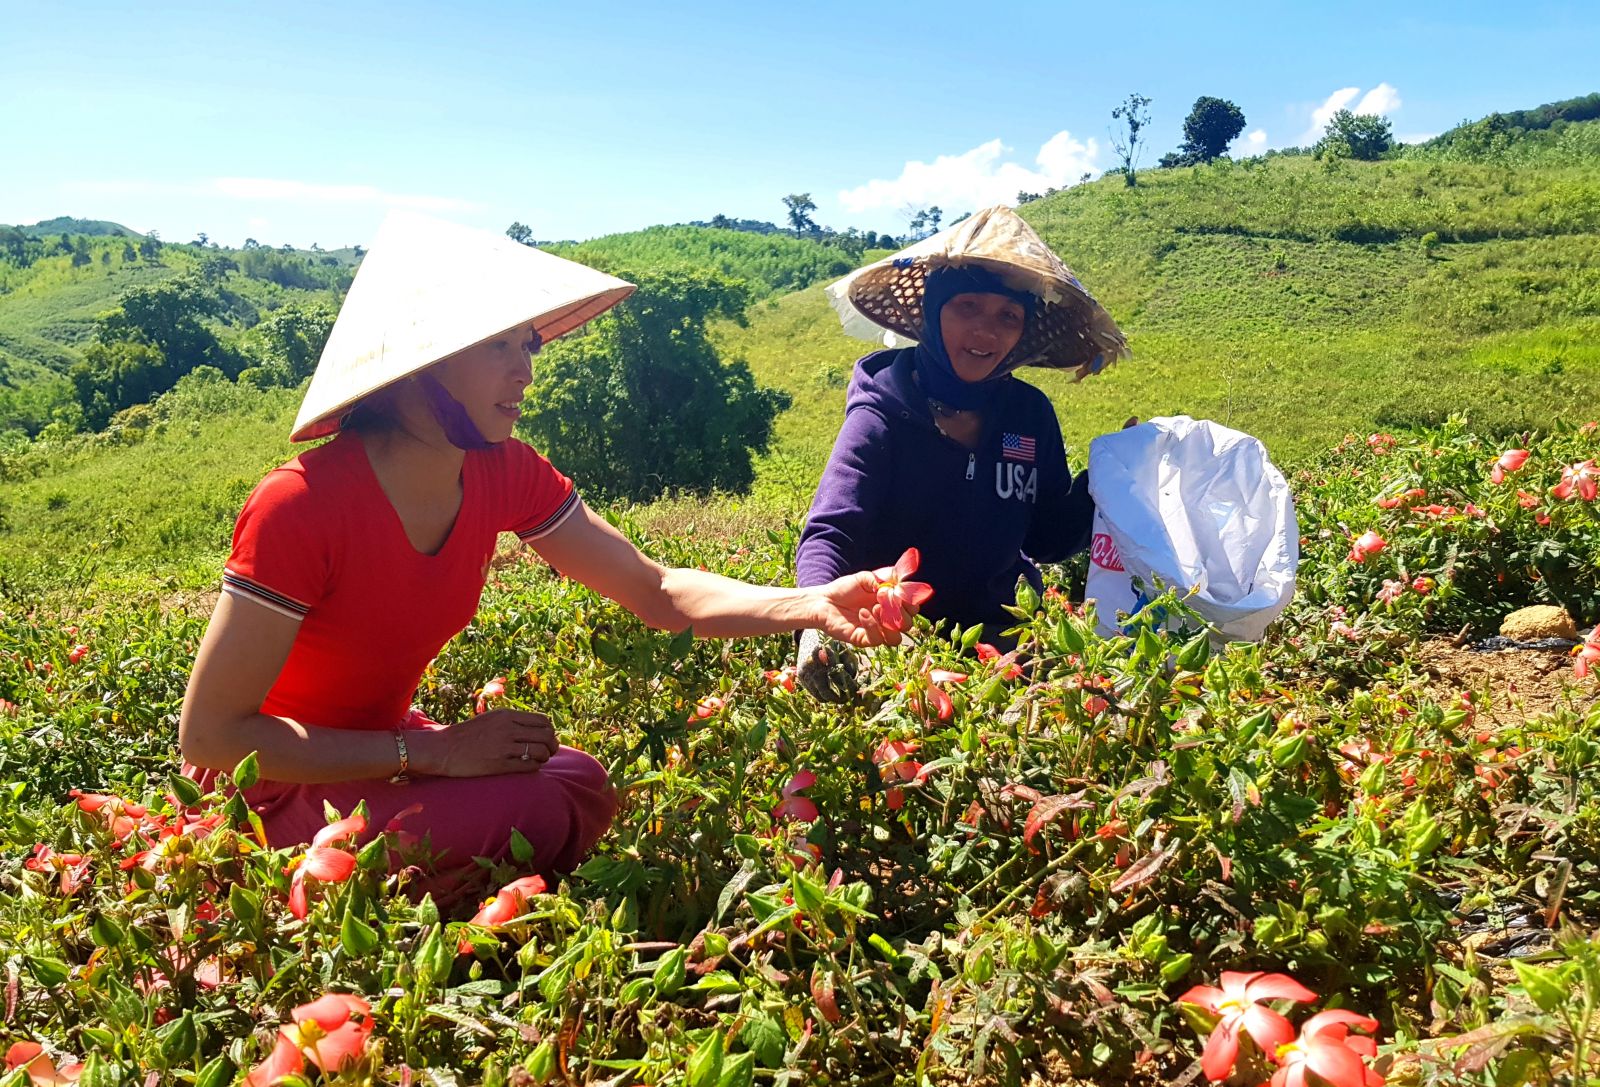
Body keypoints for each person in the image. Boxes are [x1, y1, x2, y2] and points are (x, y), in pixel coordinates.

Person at [179, 213, 901, 880]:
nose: (524, 370)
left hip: (385, 753)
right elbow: (211, 737)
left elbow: (653, 589)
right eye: (498, 344)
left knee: (576, 781)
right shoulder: (301, 503)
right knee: (535, 809)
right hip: (274, 786)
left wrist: (812, 603)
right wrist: (433, 752)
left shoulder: (502, 471)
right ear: (422, 361)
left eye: (525, 344)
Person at [794, 206, 1129, 696]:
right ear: (932, 313)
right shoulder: (882, 412)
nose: (986, 332)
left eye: (1008, 316)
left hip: (1004, 640)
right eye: (967, 306)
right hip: (897, 641)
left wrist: (1107, 479)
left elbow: (1048, 537)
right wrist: (816, 615)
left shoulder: (1029, 414)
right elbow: (832, 530)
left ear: (1023, 331)